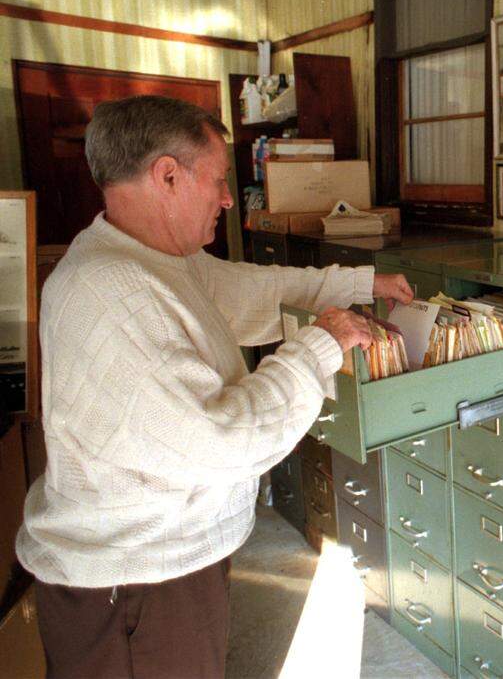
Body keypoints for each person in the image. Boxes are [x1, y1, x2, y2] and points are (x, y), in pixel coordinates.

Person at [16, 95, 415, 678]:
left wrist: (359, 280)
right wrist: (319, 346)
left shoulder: (150, 259)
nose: (229, 199)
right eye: (219, 179)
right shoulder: (110, 293)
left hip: (159, 566)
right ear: (168, 176)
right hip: (134, 585)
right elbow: (224, 440)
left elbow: (251, 290)